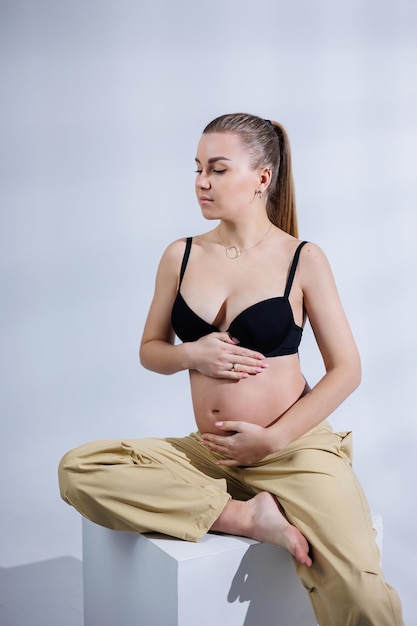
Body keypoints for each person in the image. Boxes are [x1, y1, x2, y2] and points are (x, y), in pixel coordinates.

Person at [59, 113, 403, 625]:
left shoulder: (302, 258)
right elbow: (151, 349)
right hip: (211, 453)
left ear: (262, 177)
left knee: (363, 596)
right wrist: (189, 355)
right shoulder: (180, 255)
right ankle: (245, 516)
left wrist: (273, 439)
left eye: (217, 169)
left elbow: (346, 369)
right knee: (80, 468)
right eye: (197, 168)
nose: (201, 182)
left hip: (292, 451)